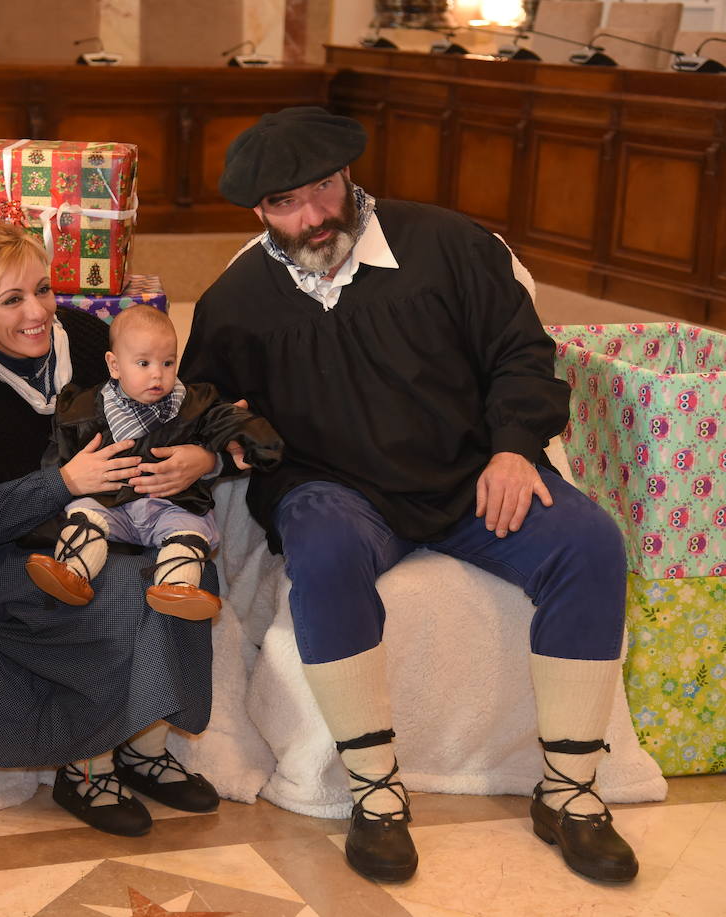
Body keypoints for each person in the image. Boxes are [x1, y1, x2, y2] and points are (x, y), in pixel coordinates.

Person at [181, 106, 638, 885]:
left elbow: (524, 355)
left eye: (323, 189)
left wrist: (513, 448)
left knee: (590, 543)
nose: (314, 215)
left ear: (348, 175)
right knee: (320, 547)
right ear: (260, 213)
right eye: (286, 203)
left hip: (469, 478)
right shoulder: (236, 301)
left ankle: (570, 790)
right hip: (337, 491)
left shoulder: (451, 246)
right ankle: (373, 792)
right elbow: (207, 400)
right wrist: (214, 436)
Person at [0, 222, 220, 838]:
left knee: (186, 573)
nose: (36, 312)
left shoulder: (85, 339)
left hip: (105, 526)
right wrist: (64, 483)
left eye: (42, 289)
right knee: (115, 593)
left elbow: (179, 403)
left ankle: (141, 743)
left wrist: (203, 458)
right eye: (11, 300)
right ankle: (87, 764)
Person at [27, 304, 283, 621]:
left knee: (191, 531)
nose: (157, 374)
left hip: (172, 508)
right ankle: (72, 572)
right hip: (114, 505)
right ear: (114, 365)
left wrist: (257, 439)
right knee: (85, 513)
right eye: (144, 363)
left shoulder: (193, 403)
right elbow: (61, 456)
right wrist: (62, 483)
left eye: (167, 362)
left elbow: (227, 420)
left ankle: (177, 588)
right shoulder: (85, 408)